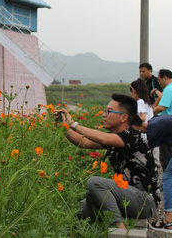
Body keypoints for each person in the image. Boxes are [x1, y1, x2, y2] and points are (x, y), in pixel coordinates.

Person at [54, 94, 159, 229]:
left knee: (95, 183)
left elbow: (103, 139)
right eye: (105, 111)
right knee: (81, 207)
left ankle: (120, 230)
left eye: (109, 111)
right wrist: (63, 127)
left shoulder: (133, 135)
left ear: (124, 117)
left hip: (144, 201)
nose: (104, 115)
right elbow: (83, 142)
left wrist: (74, 124)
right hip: (127, 196)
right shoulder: (115, 138)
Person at [152, 69, 172, 185]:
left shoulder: (169, 89)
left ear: (165, 78)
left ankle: (170, 183)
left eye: (159, 80)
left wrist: (149, 113)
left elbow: (162, 107)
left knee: (166, 157)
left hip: (168, 127)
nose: (159, 83)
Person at [130, 78, 159, 168]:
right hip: (152, 133)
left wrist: (131, 118)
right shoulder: (147, 102)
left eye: (131, 91)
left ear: (134, 90)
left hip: (144, 134)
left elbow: (143, 117)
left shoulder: (140, 102)